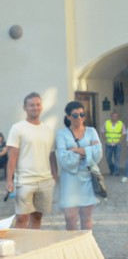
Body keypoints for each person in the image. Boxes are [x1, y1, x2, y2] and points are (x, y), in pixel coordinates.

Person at [6, 92, 58, 229]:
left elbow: (51, 154)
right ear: (25, 108)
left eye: (38, 104)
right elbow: (12, 156)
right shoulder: (17, 128)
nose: (35, 107)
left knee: (37, 216)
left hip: (45, 180)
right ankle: (19, 248)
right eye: (31, 105)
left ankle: (33, 246)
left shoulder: (48, 129)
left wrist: (54, 174)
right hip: (25, 180)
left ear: (41, 107)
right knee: (22, 217)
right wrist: (9, 180)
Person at [55, 101, 102, 230]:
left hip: (87, 176)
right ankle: (72, 246)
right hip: (70, 178)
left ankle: (86, 247)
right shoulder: (61, 134)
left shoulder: (91, 131)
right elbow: (63, 157)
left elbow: (98, 152)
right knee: (70, 217)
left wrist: (76, 150)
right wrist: (88, 151)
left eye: (82, 114)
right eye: (75, 115)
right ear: (68, 117)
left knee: (86, 217)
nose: (79, 118)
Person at [100, 111, 124, 176]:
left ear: (118, 117)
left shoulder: (121, 124)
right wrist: (105, 140)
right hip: (108, 144)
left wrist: (120, 141)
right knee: (108, 158)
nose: (114, 117)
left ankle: (116, 172)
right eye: (113, 116)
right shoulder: (106, 123)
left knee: (117, 158)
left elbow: (123, 133)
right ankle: (112, 169)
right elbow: (102, 131)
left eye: (116, 116)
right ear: (111, 116)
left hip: (117, 144)